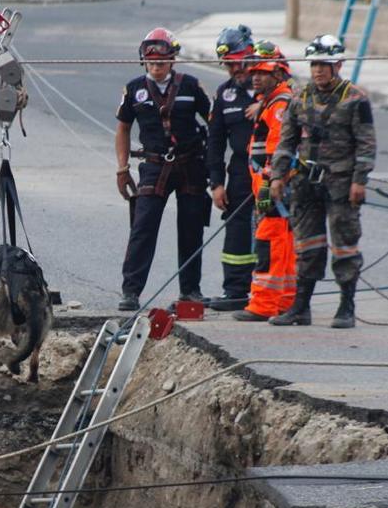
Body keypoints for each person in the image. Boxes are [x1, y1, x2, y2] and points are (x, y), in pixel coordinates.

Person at [268, 34, 376, 328]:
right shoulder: (299, 98)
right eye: (315, 64)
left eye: (325, 64)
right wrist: (277, 176)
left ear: (338, 64)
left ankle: (346, 307)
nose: (318, 70)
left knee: (345, 245)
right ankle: (301, 308)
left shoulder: (355, 99)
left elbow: (366, 145)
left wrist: (359, 181)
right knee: (307, 245)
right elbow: (286, 142)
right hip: (305, 182)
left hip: (341, 183)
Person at [115, 27, 212, 311]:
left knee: (192, 228)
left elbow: (214, 122)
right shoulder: (134, 90)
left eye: (161, 62)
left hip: (191, 164)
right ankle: (130, 292)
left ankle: (191, 291)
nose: (156, 67)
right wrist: (122, 168)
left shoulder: (192, 86)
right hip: (154, 166)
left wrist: (215, 167)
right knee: (142, 227)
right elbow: (122, 128)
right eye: (151, 62)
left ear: (172, 60)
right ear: (144, 61)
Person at [233, 42, 297, 322]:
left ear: (279, 74)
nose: (255, 76)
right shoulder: (273, 102)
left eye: (263, 72)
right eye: (254, 71)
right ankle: (284, 301)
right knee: (283, 243)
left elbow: (278, 147)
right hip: (274, 184)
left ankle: (262, 304)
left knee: (269, 243)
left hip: (272, 186)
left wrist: (268, 183)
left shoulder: (279, 105)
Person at [205, 25, 258, 311]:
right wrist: (216, 183)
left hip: (271, 171)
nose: (233, 68)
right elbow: (214, 142)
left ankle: (271, 294)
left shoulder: (275, 87)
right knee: (237, 232)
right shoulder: (224, 94)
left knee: (270, 232)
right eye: (228, 63)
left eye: (237, 60)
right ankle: (236, 291)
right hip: (239, 172)